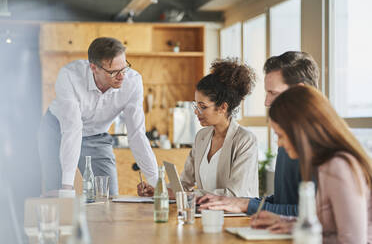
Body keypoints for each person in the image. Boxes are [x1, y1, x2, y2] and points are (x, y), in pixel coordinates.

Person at [198, 51, 319, 216]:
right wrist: (239, 202)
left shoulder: (319, 144)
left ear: (300, 91)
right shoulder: (287, 142)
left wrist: (246, 205)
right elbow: (282, 202)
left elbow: (312, 214)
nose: (266, 102)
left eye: (273, 93)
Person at [251, 85, 372, 243]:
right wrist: (288, 223)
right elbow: (329, 228)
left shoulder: (339, 166)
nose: (279, 143)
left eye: (280, 135)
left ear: (300, 131)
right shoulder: (324, 164)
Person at [38, 37, 158, 195]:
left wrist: (155, 182)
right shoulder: (70, 76)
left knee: (108, 195)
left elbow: (137, 134)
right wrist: (66, 187)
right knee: (58, 195)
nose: (122, 76)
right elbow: (72, 129)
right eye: (114, 72)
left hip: (97, 135)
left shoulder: (132, 82)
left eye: (124, 68)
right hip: (57, 131)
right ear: (94, 68)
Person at [138, 58, 259, 197]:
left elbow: (235, 194)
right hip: (205, 214)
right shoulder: (202, 136)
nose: (196, 112)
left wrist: (192, 195)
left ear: (223, 107)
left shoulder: (245, 140)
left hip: (235, 217)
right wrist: (159, 190)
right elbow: (184, 184)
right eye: (196, 105)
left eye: (203, 107)